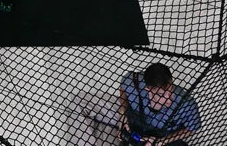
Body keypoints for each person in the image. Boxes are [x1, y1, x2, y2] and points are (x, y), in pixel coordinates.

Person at [66, 62, 200, 144]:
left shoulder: (186, 103)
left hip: (160, 137)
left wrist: (161, 142)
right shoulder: (135, 82)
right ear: (148, 90)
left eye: (170, 90)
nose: (169, 98)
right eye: (161, 94)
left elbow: (191, 129)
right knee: (79, 102)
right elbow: (123, 87)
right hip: (132, 122)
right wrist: (122, 112)